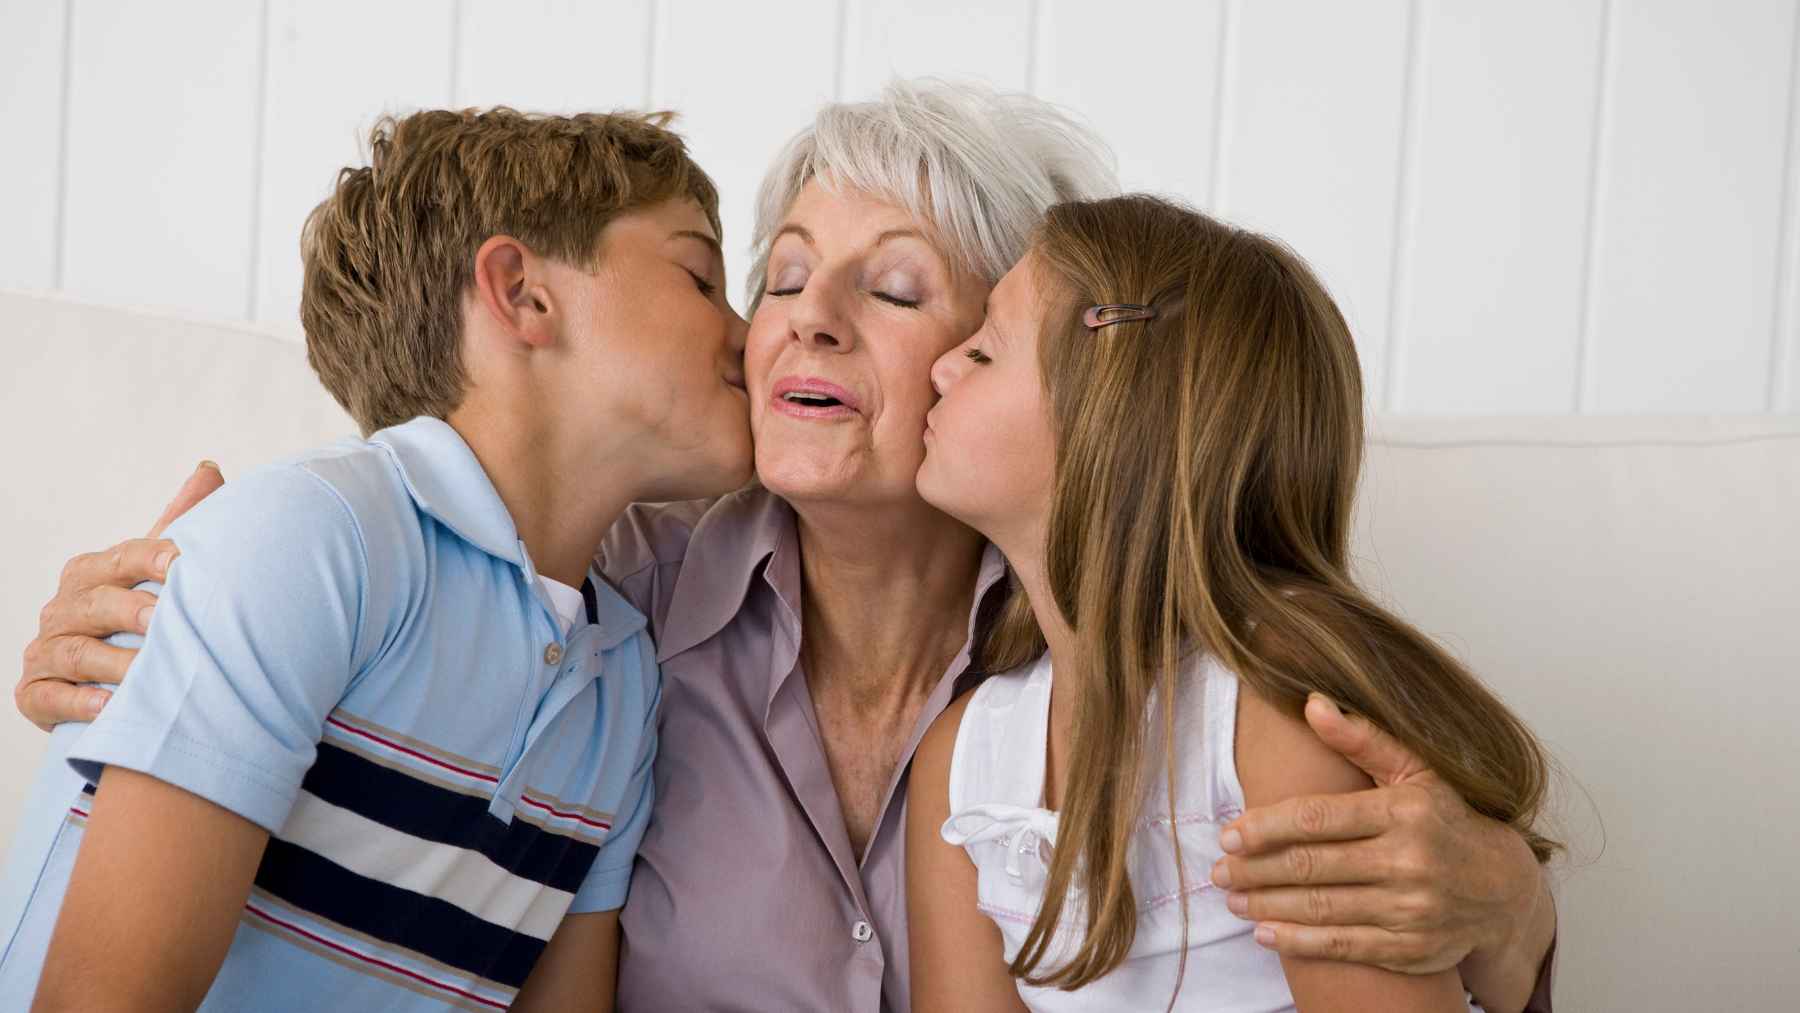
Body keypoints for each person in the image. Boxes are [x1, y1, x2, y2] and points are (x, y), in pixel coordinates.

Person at [13, 82, 1558, 1012]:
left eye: (898, 289)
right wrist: (144, 646)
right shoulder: (606, 600)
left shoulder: (1146, 666)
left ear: (1036, 367)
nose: (804, 315)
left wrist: (1514, 912)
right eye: (778, 274)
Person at [0, 107, 752, 1010]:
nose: (749, 334)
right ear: (521, 292)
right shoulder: (315, 538)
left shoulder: (619, 682)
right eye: (701, 276)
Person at [907, 194, 1559, 1011]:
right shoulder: (963, 765)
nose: (939, 365)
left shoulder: (1270, 723)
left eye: (983, 352)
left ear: (1111, 422)